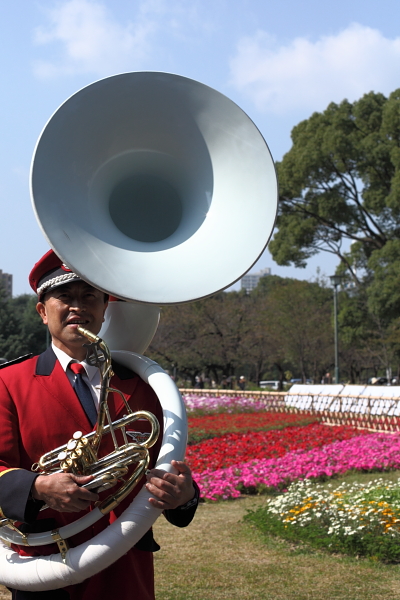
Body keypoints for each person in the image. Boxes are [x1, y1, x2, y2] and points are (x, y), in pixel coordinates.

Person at [0, 250, 199, 600]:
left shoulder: (143, 385)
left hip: (126, 568)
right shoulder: (8, 382)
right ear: (42, 312)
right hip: (46, 568)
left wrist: (184, 496)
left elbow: (166, 468)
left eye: (90, 296)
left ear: (105, 309)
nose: (79, 306)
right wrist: (37, 487)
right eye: (65, 296)